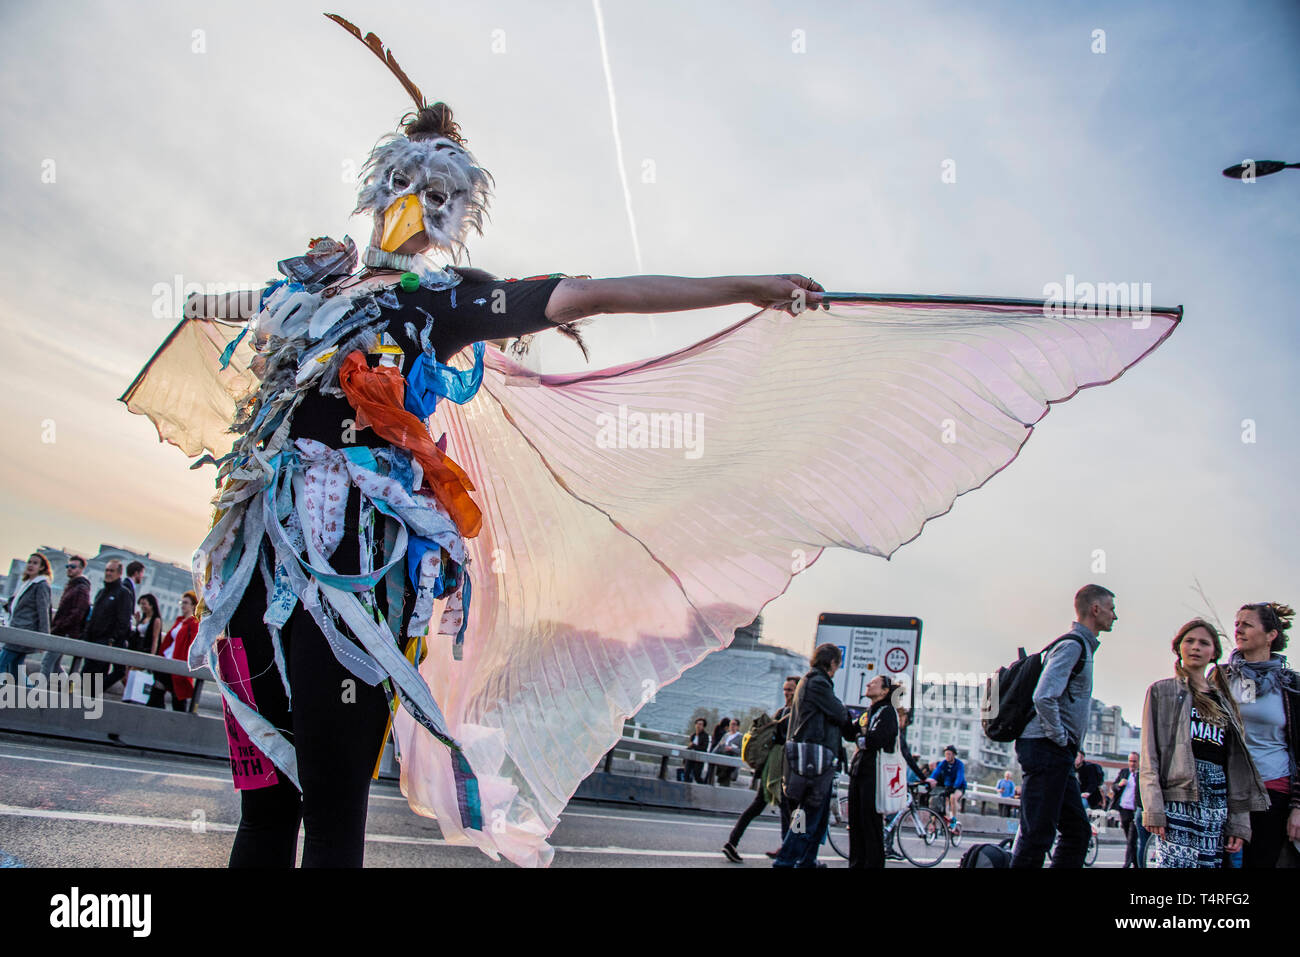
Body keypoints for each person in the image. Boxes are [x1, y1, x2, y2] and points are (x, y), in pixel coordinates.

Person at [118, 15, 1182, 869]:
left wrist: (746, 282)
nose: (421, 205)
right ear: (379, 184)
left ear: (457, 211)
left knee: (333, 813)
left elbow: (602, 290)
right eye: (408, 183)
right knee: (265, 806)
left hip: (358, 559)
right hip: (256, 559)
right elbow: (230, 335)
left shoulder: (449, 301)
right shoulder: (308, 287)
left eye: (442, 194)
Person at [1140, 618, 1268, 868]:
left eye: (1203, 643)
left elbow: (1237, 767)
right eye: (1189, 641)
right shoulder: (1161, 691)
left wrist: (1239, 823)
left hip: (1216, 798)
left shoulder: (1225, 701)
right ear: (1179, 648)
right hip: (1178, 796)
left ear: (1213, 653)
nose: (1195, 647)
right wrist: (1153, 807)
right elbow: (1149, 754)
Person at [1012, 584, 1115, 868]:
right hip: (1047, 749)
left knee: (1078, 831)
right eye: (1111, 609)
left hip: (1057, 753)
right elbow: (1044, 696)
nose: (1115, 616)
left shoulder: (1082, 647)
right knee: (1037, 835)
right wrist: (1061, 737)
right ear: (1095, 609)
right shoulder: (1073, 646)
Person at [1221, 601, 1299, 867]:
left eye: (1247, 624)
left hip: (1273, 790)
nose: (1238, 630)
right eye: (1236, 624)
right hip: (1227, 790)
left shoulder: (1291, 685)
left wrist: (1298, 806)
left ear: (1270, 635)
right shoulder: (1220, 677)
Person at [772, 644, 850, 868]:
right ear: (832, 662)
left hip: (813, 759)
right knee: (807, 815)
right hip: (812, 760)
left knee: (817, 815)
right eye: (838, 663)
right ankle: (785, 861)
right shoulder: (817, 682)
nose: (838, 668)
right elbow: (839, 712)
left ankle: (807, 861)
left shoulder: (812, 681)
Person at [723, 676, 796, 862]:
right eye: (786, 689)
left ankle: (732, 842)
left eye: (790, 689)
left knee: (764, 807)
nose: (787, 692)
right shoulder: (790, 713)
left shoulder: (784, 712)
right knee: (787, 808)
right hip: (778, 767)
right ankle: (787, 851)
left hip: (773, 767)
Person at [843, 674, 900, 868]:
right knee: (855, 824)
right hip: (859, 772)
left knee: (870, 825)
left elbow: (875, 740)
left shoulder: (888, 712)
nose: (868, 684)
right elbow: (851, 733)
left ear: (884, 691)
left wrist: (862, 737)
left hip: (874, 775)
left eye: (874, 683)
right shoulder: (869, 712)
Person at [79, 559, 134, 688]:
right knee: (85, 679)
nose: (108, 573)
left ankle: (90, 703)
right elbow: (93, 618)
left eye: (112, 571)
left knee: (93, 683)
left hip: (105, 645)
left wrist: (111, 640)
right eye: (107, 570)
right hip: (92, 644)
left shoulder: (123, 593)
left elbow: (123, 621)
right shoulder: (101, 593)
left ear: (119, 573)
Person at [0, 553, 53, 682]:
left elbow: (43, 611)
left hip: (23, 632)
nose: (30, 565)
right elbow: (17, 605)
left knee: (2, 665)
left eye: (35, 563)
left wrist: (43, 638)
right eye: (29, 562)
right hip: (16, 629)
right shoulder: (27, 583)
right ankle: (33, 695)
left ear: (41, 568)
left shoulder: (41, 585)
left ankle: (33, 696)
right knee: (16, 671)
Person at [40, 555, 91, 679]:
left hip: (64, 633)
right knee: (55, 664)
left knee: (47, 662)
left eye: (73, 567)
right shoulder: (73, 586)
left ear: (81, 569)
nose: (69, 569)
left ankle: (39, 692)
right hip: (61, 632)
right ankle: (69, 689)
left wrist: (61, 626)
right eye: (68, 566)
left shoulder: (81, 588)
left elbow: (78, 613)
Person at [148, 592, 199, 712]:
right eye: (182, 602)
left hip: (177, 666)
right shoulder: (180, 621)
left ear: (193, 606)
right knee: (158, 695)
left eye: (186, 603)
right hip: (168, 663)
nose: (183, 605)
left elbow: (193, 645)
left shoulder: (193, 623)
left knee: (177, 700)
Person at [106, 593, 164, 695]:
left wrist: (152, 656)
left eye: (144, 604)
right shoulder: (144, 618)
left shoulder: (156, 620)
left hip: (145, 651)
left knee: (131, 673)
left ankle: (132, 695)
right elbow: (139, 633)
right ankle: (130, 694)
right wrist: (138, 622)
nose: (142, 607)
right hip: (136, 649)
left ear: (151, 605)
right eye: (141, 604)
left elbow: (155, 639)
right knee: (125, 675)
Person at [1112, 751, 1140, 867]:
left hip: (1135, 811)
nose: (1132, 764)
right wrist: (1119, 784)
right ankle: (1137, 864)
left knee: (1131, 840)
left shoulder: (1141, 775)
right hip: (1124, 809)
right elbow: (1113, 787)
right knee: (1130, 842)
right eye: (1130, 761)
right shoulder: (1124, 772)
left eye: (1134, 761)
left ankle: (1126, 865)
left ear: (1139, 762)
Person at [926, 745, 967, 821]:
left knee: (953, 797)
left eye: (949, 754)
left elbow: (960, 776)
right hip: (948, 787)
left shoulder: (959, 764)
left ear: (953, 755)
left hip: (959, 787)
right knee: (942, 802)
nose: (947, 756)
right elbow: (936, 773)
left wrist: (955, 786)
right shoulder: (943, 763)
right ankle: (946, 820)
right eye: (946, 754)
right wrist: (929, 781)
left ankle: (954, 819)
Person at [712, 718, 743, 786]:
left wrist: (732, 749)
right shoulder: (726, 735)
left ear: (738, 726)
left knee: (725, 781)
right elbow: (718, 747)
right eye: (731, 724)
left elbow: (741, 751)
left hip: (730, 765)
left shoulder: (740, 737)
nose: (732, 726)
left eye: (734, 724)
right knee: (720, 781)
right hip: (721, 763)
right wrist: (712, 755)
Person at [683, 718, 709, 784]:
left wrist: (694, 746)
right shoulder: (693, 735)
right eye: (697, 724)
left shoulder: (705, 736)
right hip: (690, 757)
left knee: (697, 775)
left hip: (699, 759)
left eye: (700, 724)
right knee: (686, 774)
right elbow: (690, 747)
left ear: (703, 726)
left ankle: (704, 787)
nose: (698, 726)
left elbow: (704, 748)